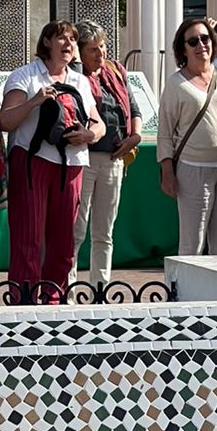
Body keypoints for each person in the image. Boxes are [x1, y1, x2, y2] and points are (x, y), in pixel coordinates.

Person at [0, 20, 104, 300]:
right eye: (62, 38)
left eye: (72, 40)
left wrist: (88, 134)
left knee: (63, 242)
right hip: (32, 162)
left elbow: (99, 124)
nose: (69, 44)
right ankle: (24, 304)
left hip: (71, 166)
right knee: (28, 238)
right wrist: (34, 101)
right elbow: (6, 121)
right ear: (46, 42)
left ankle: (54, 302)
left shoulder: (80, 80)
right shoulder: (25, 75)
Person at [156, 17, 217, 257]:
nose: (201, 45)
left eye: (205, 38)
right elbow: (165, 132)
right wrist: (167, 172)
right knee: (192, 244)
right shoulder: (176, 84)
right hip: (193, 170)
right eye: (193, 41)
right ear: (183, 48)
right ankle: (184, 294)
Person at [71, 23, 143, 286]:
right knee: (76, 230)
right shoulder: (75, 75)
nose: (100, 53)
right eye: (92, 49)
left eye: (102, 46)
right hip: (84, 159)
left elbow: (134, 108)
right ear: (80, 52)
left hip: (113, 160)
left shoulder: (116, 70)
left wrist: (134, 136)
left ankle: (100, 289)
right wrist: (77, 64)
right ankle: (66, 290)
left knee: (104, 232)